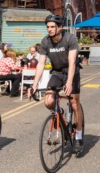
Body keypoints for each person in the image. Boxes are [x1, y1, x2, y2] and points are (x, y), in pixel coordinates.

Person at [28, 14, 84, 148]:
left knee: (74, 103)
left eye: (52, 27)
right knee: (48, 101)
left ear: (60, 27)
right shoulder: (45, 42)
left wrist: (69, 83)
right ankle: (60, 115)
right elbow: (41, 63)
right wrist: (34, 85)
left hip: (72, 72)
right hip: (57, 73)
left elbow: (72, 62)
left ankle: (79, 136)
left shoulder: (69, 39)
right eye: (48, 27)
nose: (49, 29)